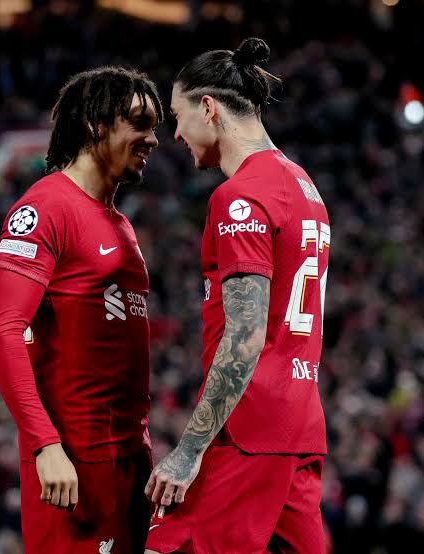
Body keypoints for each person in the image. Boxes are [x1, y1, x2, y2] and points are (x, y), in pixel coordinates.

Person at [144, 38, 330, 553]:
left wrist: (189, 449)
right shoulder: (304, 186)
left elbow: (245, 337)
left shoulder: (240, 197)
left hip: (246, 432)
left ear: (208, 107)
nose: (175, 134)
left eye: (178, 116)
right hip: (299, 426)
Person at [0, 66, 163, 553]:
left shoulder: (121, 225)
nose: (152, 139)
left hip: (129, 462)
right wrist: (45, 445)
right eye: (139, 123)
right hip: (72, 465)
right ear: (93, 125)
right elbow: (2, 331)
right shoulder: (46, 208)